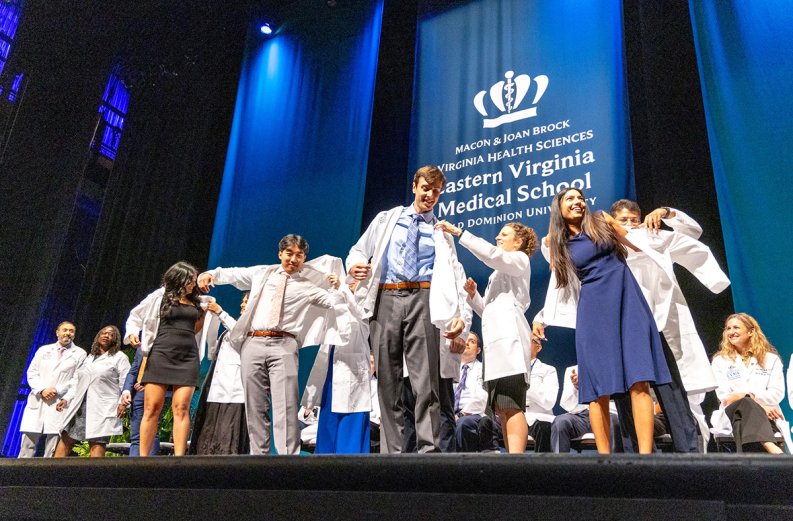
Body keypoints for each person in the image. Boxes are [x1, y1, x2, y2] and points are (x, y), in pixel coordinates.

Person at [533, 188, 672, 454]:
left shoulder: (600, 220)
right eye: (570, 199)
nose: (578, 202)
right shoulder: (557, 243)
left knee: (639, 379)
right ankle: (604, 459)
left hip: (627, 301)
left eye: (580, 197)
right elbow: (558, 289)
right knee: (598, 389)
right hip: (593, 312)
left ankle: (646, 458)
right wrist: (541, 318)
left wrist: (664, 220)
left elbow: (637, 244)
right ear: (558, 208)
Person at [346, 165, 469, 453]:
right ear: (415, 186)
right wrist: (354, 266)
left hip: (424, 300)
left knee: (426, 380)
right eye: (426, 188)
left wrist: (461, 316)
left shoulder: (441, 232)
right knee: (388, 379)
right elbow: (358, 250)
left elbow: (455, 275)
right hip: (387, 297)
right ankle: (394, 452)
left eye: (436, 192)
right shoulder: (388, 218)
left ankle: (429, 450)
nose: (430, 195)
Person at [198, 235, 348, 455]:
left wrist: (339, 288)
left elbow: (336, 304)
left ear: (305, 258)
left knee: (285, 405)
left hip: (284, 344)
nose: (294, 259)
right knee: (255, 405)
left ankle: (288, 460)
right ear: (280, 254)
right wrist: (211, 274)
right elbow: (234, 274)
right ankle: (259, 458)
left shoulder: (307, 286)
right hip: (254, 342)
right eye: (289, 253)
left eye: (299, 255)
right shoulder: (263, 273)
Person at [610, 199, 730, 451]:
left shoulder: (654, 236)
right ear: (613, 221)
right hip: (624, 323)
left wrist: (666, 213)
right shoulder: (606, 242)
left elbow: (693, 237)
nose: (631, 225)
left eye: (634, 219)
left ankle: (688, 451)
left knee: (671, 389)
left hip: (660, 322)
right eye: (624, 220)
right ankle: (636, 457)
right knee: (627, 390)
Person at [435, 219, 537, 453]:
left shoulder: (519, 260)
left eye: (504, 234)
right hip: (497, 348)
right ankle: (512, 458)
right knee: (501, 409)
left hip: (510, 343)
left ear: (518, 242)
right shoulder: (499, 273)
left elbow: (492, 255)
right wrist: (474, 297)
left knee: (511, 405)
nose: (498, 238)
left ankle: (517, 460)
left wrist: (461, 233)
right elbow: (488, 310)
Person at [126, 261, 206, 456]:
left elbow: (195, 329)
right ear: (178, 279)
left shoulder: (198, 302)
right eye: (190, 281)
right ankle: (142, 460)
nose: (192, 285)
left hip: (187, 357)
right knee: (152, 407)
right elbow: (135, 315)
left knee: (181, 407)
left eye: (194, 281)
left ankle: (179, 459)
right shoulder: (158, 297)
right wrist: (132, 333)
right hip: (161, 353)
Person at [710, 313, 785, 454]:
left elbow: (777, 393)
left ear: (751, 331)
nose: (731, 332)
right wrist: (760, 405)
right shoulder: (720, 361)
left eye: (736, 327)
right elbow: (726, 397)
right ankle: (772, 449)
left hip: (768, 417)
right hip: (732, 414)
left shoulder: (771, 359)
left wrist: (745, 396)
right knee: (744, 403)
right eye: (728, 328)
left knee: (745, 403)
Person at [54, 326, 130, 458]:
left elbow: (126, 381)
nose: (106, 336)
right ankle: (51, 474)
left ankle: (94, 477)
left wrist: (123, 403)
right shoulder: (89, 358)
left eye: (111, 335)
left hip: (102, 408)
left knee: (97, 443)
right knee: (66, 439)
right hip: (81, 406)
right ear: (98, 337)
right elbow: (77, 381)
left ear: (115, 339)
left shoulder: (119, 357)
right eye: (104, 333)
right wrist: (66, 398)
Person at [189, 295, 249, 455]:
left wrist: (220, 313)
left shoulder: (253, 326)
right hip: (218, 385)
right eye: (242, 301)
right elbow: (215, 350)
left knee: (227, 431)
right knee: (211, 429)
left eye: (246, 301)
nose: (242, 304)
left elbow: (241, 335)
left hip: (233, 388)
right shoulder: (235, 326)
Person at [18, 321, 86, 458]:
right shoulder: (43, 350)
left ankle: (47, 475)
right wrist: (42, 389)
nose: (67, 333)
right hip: (38, 398)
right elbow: (32, 372)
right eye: (64, 330)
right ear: (57, 332)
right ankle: (20, 472)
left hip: (59, 401)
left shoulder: (80, 353)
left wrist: (58, 390)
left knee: (52, 444)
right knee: (28, 442)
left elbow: (77, 379)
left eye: (71, 331)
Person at [551, 365, 623, 453]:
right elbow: (567, 405)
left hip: (606, 414)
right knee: (560, 422)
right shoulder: (573, 370)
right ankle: (559, 465)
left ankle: (613, 464)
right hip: (581, 417)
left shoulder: (612, 368)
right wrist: (577, 388)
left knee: (614, 421)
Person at [452, 333, 490, 452]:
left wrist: (461, 414)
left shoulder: (484, 369)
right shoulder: (451, 368)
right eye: (465, 340)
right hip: (451, 413)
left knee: (463, 423)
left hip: (473, 414)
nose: (467, 343)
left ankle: (463, 467)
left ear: (478, 350)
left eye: (472, 341)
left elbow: (481, 397)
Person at [524, 339, 558, 453]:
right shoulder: (511, 370)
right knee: (487, 424)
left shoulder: (548, 370)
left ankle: (542, 469)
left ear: (538, 347)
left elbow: (548, 401)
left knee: (544, 428)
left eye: (528, 340)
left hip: (539, 417)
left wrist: (524, 385)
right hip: (515, 416)